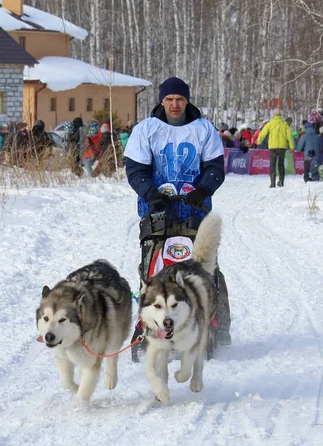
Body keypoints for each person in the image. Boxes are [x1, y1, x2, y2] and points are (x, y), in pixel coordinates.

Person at [125, 76, 231, 346]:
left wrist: (203, 190)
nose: (175, 104)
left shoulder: (203, 129)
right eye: (170, 99)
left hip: (195, 212)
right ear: (162, 100)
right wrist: (151, 194)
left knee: (207, 268)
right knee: (151, 269)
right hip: (157, 212)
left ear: (187, 100)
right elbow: (136, 170)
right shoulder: (146, 129)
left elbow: (215, 168)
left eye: (180, 99)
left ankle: (218, 324)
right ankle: (147, 323)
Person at [257, 109, 295, 187]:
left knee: (272, 164)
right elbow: (290, 137)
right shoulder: (285, 124)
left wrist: (259, 141)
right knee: (281, 164)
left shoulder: (270, 124)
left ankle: (272, 183)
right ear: (280, 115)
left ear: (273, 115)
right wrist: (291, 146)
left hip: (272, 147)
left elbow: (262, 133)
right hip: (282, 147)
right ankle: (281, 182)